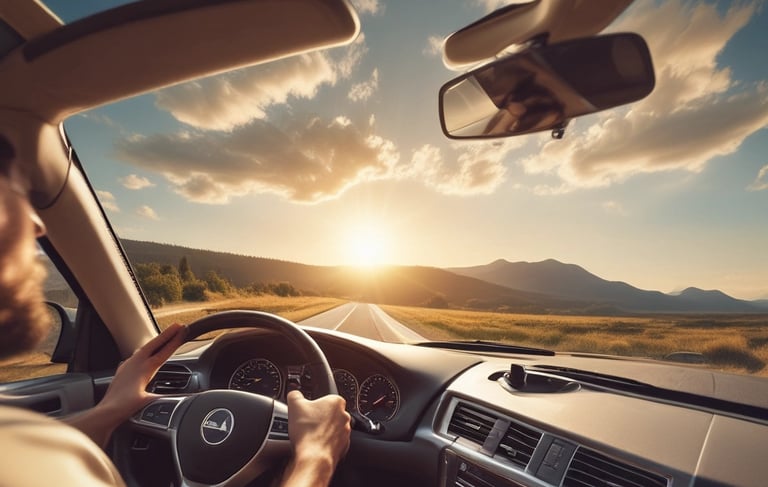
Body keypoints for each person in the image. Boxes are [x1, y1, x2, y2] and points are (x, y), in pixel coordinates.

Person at [0, 135, 351, 486]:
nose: (37, 225)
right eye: (15, 193)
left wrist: (110, 410)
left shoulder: (21, 452)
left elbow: (49, 451)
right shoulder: (30, 458)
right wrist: (316, 457)